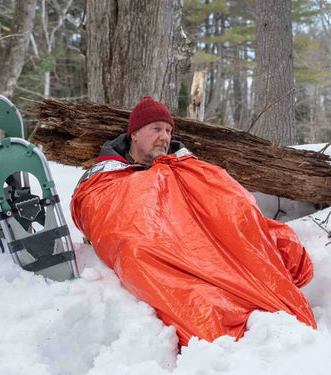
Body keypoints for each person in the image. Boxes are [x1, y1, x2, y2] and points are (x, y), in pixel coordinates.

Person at [71, 96, 316, 346]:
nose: (164, 136)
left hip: (213, 250)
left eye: (168, 130)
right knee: (139, 251)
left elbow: (231, 203)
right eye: (156, 128)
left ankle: (248, 294)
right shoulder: (106, 180)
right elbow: (113, 224)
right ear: (134, 134)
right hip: (166, 254)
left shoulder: (189, 168)